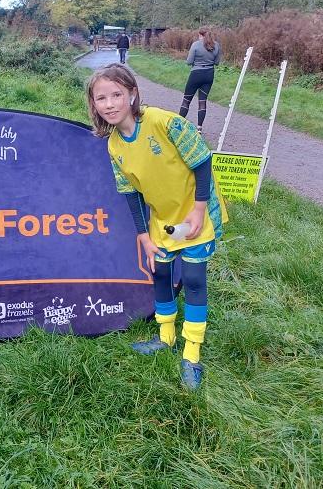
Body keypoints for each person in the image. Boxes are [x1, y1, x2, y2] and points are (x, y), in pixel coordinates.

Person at [85, 63, 228, 390]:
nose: (110, 104)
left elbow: (203, 160)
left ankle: (191, 354)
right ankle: (165, 336)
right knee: (161, 274)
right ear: (93, 105)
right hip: (164, 222)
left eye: (117, 94)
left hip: (195, 215)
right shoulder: (114, 146)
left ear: (132, 94)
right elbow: (131, 194)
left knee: (192, 278)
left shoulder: (164, 122)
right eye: (101, 98)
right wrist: (144, 236)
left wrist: (200, 208)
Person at [179, 27, 221, 134]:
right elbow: (217, 62)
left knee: (186, 100)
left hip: (196, 74)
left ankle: (178, 125)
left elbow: (189, 61)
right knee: (202, 102)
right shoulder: (216, 45)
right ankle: (199, 128)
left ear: (200, 35)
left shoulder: (196, 45)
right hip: (209, 75)